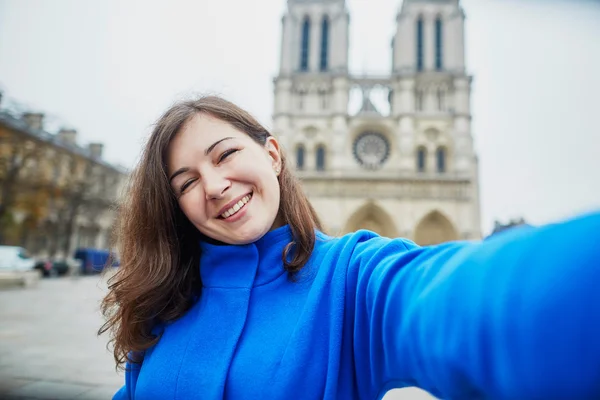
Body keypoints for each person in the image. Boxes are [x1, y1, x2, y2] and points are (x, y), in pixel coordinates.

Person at [99, 95, 600, 400]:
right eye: (185, 182)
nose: (214, 186)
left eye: (226, 153)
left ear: (273, 153)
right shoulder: (166, 293)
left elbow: (458, 299)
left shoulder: (348, 279)